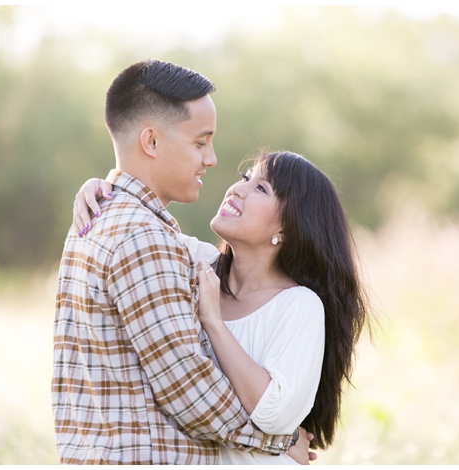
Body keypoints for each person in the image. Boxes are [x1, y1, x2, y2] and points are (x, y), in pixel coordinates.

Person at [53, 59, 310, 465]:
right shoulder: (143, 238)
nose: (211, 159)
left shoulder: (99, 218)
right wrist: (280, 440)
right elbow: (188, 388)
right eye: (199, 142)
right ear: (151, 142)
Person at [74, 150, 371, 464]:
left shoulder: (299, 306)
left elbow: (273, 414)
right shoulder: (195, 261)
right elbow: (137, 226)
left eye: (260, 188)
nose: (237, 189)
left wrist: (213, 321)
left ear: (286, 228)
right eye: (245, 178)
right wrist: (102, 189)